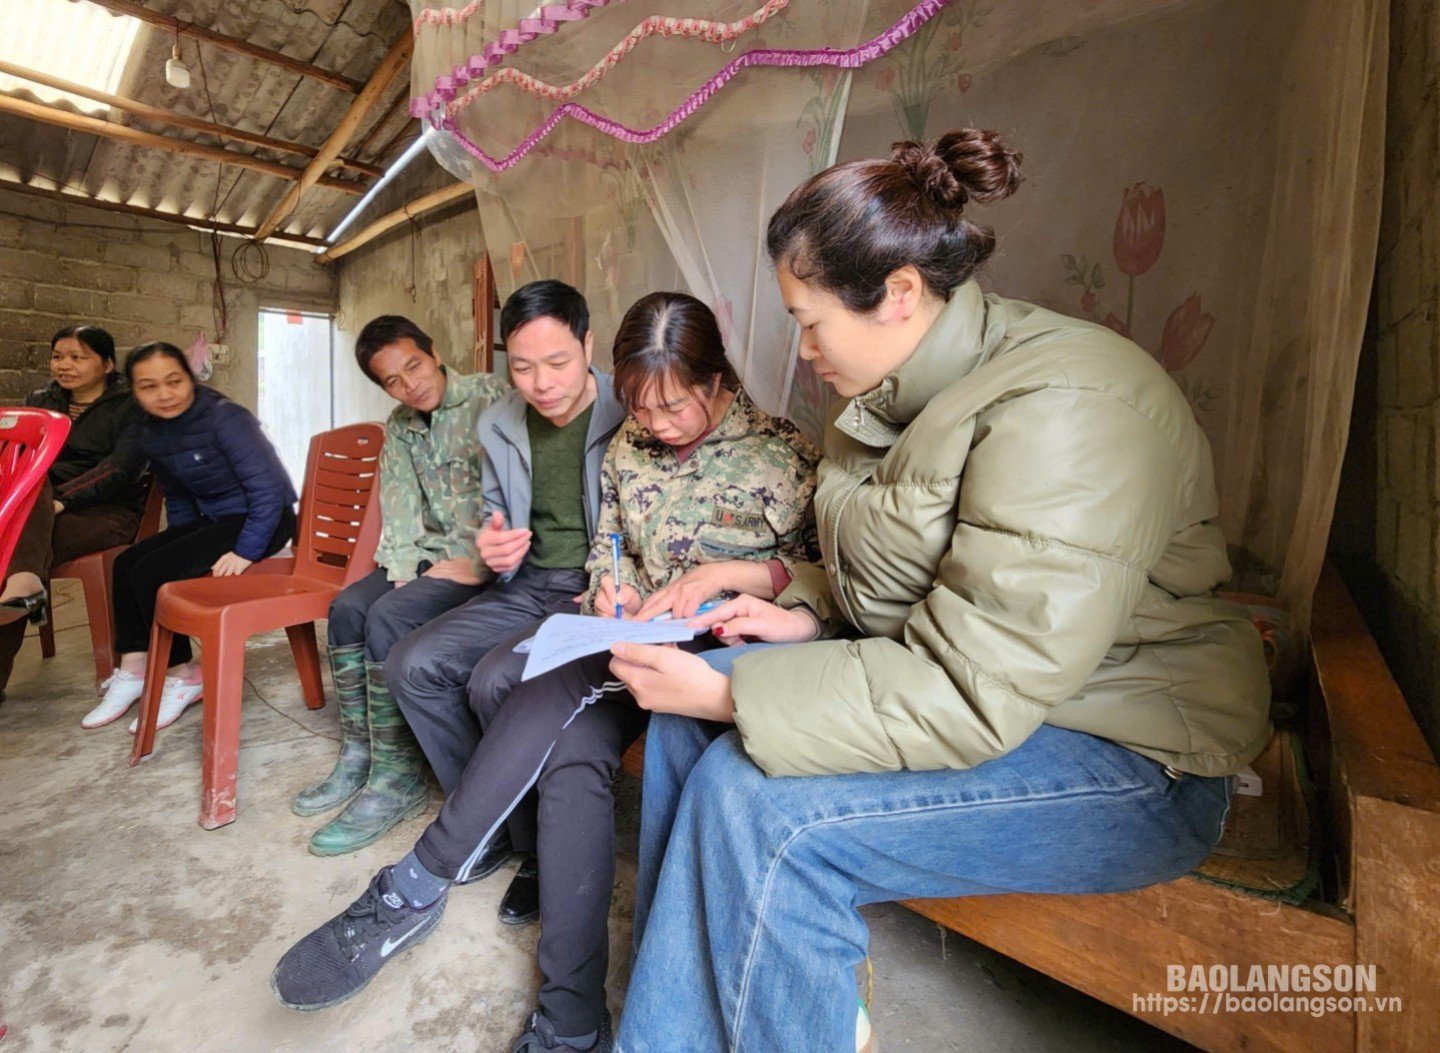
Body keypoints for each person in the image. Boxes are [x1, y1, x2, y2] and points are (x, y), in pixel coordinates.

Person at [604, 131, 1273, 1052]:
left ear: (901, 294)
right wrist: (794, 602)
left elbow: (972, 688)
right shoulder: (884, 394)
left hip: (1127, 751)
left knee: (757, 805)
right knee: (690, 724)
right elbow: (918, 577)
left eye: (808, 320)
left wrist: (728, 688)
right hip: (1004, 697)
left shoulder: (1073, 407)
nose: (800, 351)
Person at [270, 292, 821, 1053]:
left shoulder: (784, 451)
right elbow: (610, 544)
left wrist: (741, 574)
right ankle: (570, 1019)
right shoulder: (630, 443)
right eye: (640, 407)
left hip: (718, 646)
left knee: (552, 713)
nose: (655, 425)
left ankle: (422, 887)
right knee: (558, 742)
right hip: (630, 632)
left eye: (673, 407)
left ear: (716, 378)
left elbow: (827, 577)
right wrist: (612, 589)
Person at [381, 280, 625, 896]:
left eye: (558, 363)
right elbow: (497, 518)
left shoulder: (628, 408)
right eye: (522, 367)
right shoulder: (498, 422)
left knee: (496, 678)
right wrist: (493, 552)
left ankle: (541, 849)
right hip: (529, 583)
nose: (541, 383)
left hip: (595, 589)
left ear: (588, 345)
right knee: (411, 664)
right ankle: (500, 832)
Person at [293, 315, 510, 857]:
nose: (410, 383)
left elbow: (513, 496)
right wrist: (399, 572)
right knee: (349, 608)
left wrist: (479, 564)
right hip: (432, 561)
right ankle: (362, 754)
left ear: (434, 353)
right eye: (393, 380)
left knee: (389, 617)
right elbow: (402, 509)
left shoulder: (493, 397)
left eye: (413, 365)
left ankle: (399, 778)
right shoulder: (401, 426)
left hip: (485, 563)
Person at [81, 342, 297, 732]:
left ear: (190, 378)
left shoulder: (225, 418)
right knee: (129, 563)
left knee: (154, 573)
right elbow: (178, 495)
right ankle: (134, 668)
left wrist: (247, 550)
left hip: (265, 517)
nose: (164, 394)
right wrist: (180, 542)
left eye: (173, 381)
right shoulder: (151, 431)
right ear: (134, 390)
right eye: (149, 386)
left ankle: (183, 675)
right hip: (218, 519)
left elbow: (268, 489)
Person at [0, 326, 149, 701]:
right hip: (39, 509)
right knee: (28, 499)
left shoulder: (130, 405)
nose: (64, 366)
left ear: (107, 364)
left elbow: (123, 468)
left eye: (77, 357)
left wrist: (62, 499)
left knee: (13, 549)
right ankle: (27, 584)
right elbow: (16, 456)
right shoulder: (40, 401)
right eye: (58, 356)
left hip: (106, 511)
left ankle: (24, 582)